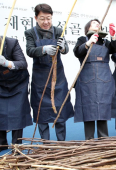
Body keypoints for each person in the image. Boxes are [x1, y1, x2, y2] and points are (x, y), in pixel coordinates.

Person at [24, 3, 74, 141]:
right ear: (36, 18)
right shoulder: (30, 33)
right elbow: (30, 51)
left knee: (60, 110)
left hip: (58, 78)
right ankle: (45, 144)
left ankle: (61, 142)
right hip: (40, 78)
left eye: (48, 18)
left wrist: (63, 48)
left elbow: (66, 50)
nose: (46, 22)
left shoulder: (58, 31)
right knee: (41, 112)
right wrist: (44, 50)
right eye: (42, 19)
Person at [73, 19, 116, 140]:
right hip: (87, 80)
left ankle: (103, 140)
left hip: (103, 80)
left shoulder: (105, 42)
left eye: (98, 23)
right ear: (88, 27)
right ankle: (89, 140)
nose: (97, 24)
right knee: (88, 109)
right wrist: (89, 43)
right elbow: (77, 52)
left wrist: (113, 36)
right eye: (94, 23)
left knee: (102, 110)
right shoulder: (83, 40)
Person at [0, 34, 32, 153]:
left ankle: (17, 145)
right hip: (0, 83)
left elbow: (23, 63)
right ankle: (1, 143)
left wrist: (7, 63)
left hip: (18, 83)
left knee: (17, 114)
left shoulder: (11, 43)